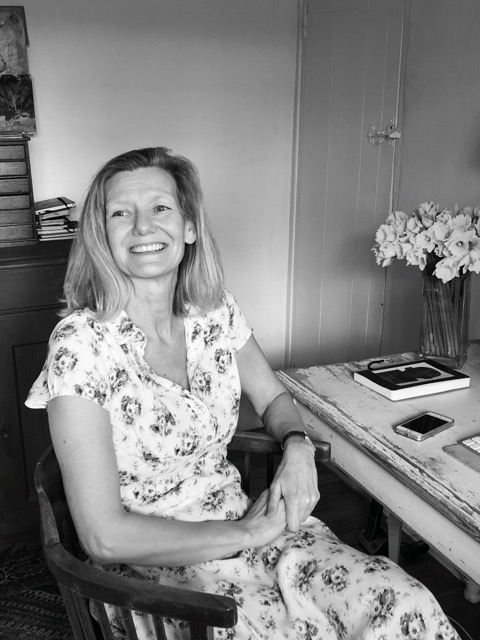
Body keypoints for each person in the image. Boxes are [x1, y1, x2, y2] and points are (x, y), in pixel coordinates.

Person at [26, 147, 460, 640]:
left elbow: (273, 399)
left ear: (189, 227)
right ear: (101, 236)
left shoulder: (214, 312)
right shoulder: (81, 345)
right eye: (121, 213)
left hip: (252, 527)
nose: (143, 226)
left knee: (404, 602)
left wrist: (297, 445)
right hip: (156, 572)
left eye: (161, 208)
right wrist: (247, 533)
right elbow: (103, 537)